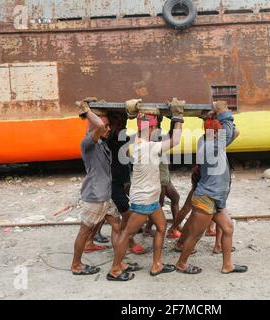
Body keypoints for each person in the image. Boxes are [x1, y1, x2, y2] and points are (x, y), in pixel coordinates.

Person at [107, 98, 185, 281]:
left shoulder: (140, 145)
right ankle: (115, 269)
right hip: (144, 201)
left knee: (161, 226)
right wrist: (178, 116)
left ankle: (157, 265)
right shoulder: (148, 147)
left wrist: (138, 115)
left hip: (150, 199)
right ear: (150, 128)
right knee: (126, 234)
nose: (158, 130)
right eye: (156, 127)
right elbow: (175, 140)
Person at [174, 101, 248, 275]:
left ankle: (227, 265)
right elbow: (231, 131)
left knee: (228, 228)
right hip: (206, 197)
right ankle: (181, 263)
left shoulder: (207, 141)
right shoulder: (213, 145)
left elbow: (234, 132)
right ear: (215, 131)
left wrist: (217, 120)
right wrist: (222, 113)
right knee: (196, 235)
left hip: (216, 197)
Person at [71, 99, 139, 276]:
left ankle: (119, 263)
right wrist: (87, 111)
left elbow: (102, 127)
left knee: (117, 227)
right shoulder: (88, 143)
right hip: (95, 196)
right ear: (94, 127)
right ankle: (76, 265)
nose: (108, 129)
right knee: (84, 232)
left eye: (109, 126)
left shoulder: (101, 143)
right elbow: (100, 125)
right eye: (105, 126)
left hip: (105, 195)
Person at [106, 112, 148, 255]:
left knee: (131, 211)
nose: (122, 124)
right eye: (118, 121)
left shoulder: (123, 136)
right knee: (127, 215)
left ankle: (91, 239)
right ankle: (129, 242)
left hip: (123, 180)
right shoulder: (109, 138)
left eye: (123, 121)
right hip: (112, 183)